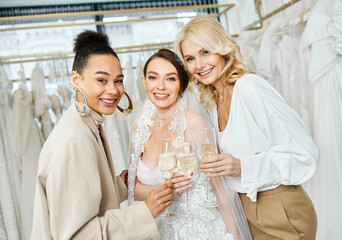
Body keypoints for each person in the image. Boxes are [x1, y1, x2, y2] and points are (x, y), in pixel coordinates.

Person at [174, 16, 319, 240]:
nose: (199, 65)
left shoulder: (250, 88)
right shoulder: (213, 102)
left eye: (205, 52)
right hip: (246, 211)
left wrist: (242, 166)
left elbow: (304, 154)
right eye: (190, 58)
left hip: (278, 210)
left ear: (222, 49)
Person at [30, 31, 173, 240]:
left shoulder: (87, 123)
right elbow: (76, 236)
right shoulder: (75, 139)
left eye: (118, 80)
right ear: (76, 80)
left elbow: (84, 197)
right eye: (102, 80)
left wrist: (119, 186)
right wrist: (145, 213)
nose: (113, 90)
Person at [127, 48, 252, 240]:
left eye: (170, 79)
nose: (160, 86)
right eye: (153, 78)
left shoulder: (193, 123)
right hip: (157, 231)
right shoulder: (139, 129)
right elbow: (132, 188)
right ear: (144, 82)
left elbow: (220, 189)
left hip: (199, 231)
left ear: (181, 85)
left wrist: (236, 236)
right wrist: (168, 190)